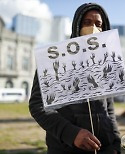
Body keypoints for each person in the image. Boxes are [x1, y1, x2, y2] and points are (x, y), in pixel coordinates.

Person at [29, 3, 120, 154]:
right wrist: (71, 134)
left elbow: (109, 109)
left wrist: (115, 144)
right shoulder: (54, 60)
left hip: (104, 149)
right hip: (65, 149)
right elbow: (38, 105)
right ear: (77, 25)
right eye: (87, 22)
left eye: (99, 24)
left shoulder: (105, 63)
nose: (93, 28)